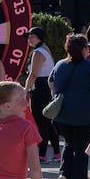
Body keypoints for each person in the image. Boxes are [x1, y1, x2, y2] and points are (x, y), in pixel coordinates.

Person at [49, 34, 90, 179]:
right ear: (83, 49)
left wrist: (56, 94)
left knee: (69, 143)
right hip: (86, 115)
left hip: (62, 115)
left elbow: (51, 82)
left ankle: (64, 174)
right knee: (82, 147)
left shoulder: (60, 65)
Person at [21, 28, 60, 163]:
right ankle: (56, 152)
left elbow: (34, 74)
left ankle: (42, 154)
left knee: (41, 121)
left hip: (40, 87)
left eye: (33, 37)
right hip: (45, 86)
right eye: (29, 37)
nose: (30, 39)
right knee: (47, 122)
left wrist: (25, 90)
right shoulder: (45, 49)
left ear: (40, 37)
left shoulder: (38, 52)